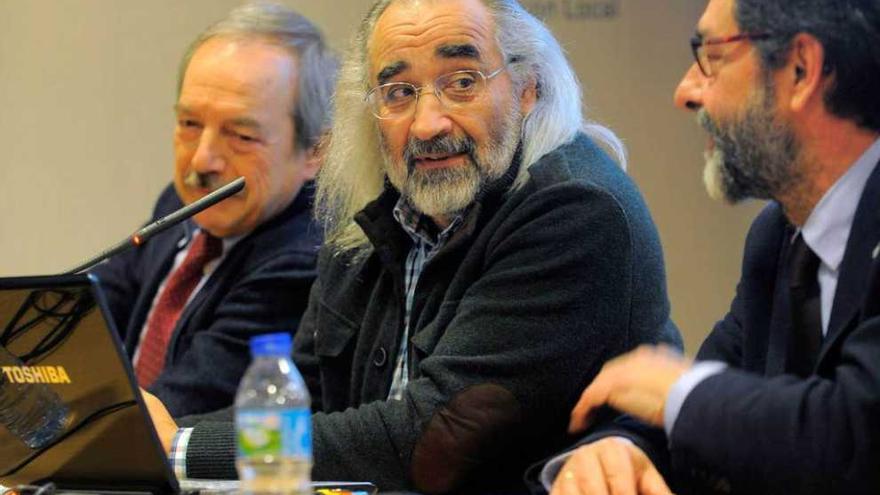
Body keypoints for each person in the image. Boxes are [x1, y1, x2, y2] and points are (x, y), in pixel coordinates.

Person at [146, 0, 681, 492]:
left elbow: (435, 436)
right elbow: (298, 397)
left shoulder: (573, 212)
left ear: (527, 87)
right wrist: (155, 439)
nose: (427, 123)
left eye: (462, 81)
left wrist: (181, 446)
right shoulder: (380, 215)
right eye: (399, 93)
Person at [543, 0, 880, 494]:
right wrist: (622, 450)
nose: (685, 92)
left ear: (801, 70)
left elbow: (857, 435)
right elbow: (713, 404)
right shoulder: (778, 236)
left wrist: (676, 392)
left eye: (711, 58)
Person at [93, 3, 337, 418]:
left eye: (241, 135)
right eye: (189, 124)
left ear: (316, 150)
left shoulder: (303, 261)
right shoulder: (181, 204)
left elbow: (175, 409)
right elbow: (93, 317)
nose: (202, 161)